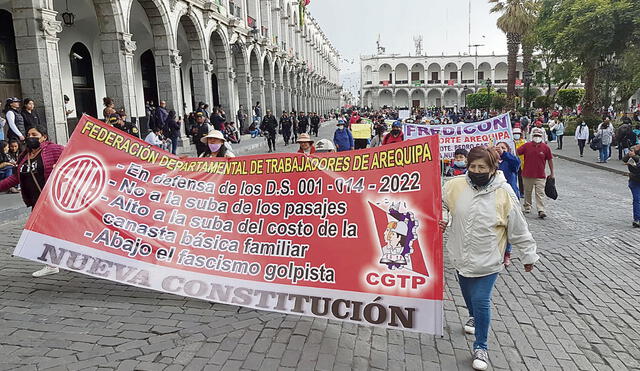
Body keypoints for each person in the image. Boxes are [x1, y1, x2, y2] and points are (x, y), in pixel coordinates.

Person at [440, 146, 538, 371]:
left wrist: (528, 255)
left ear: (493, 168)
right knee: (468, 295)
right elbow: (442, 205)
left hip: (489, 258)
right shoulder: (454, 186)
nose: (476, 171)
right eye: (472, 166)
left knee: (482, 299)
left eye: (482, 167)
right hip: (460, 255)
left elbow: (518, 227)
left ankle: (481, 346)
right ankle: (473, 316)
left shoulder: (504, 192)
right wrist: (444, 218)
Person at [0, 125, 65, 277]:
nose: (30, 137)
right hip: (36, 200)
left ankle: (56, 262)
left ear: (44, 137)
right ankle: (52, 263)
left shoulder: (54, 149)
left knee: (50, 231)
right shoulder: (25, 155)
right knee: (45, 232)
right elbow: (15, 177)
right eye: (28, 134)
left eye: (34, 134)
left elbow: (72, 162)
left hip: (52, 199)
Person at [517, 130, 554, 219]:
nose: (537, 137)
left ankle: (541, 210)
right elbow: (517, 152)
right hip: (527, 174)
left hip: (540, 175)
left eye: (539, 135)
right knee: (527, 192)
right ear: (532, 136)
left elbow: (550, 160)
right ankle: (527, 206)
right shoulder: (526, 146)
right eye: (535, 135)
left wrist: (552, 172)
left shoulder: (546, 148)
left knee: (540, 193)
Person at [623, 145, 640, 227]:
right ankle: (637, 219)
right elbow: (624, 159)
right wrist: (631, 153)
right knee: (637, 200)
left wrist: (635, 156)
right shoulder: (634, 149)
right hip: (635, 180)